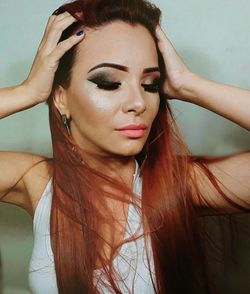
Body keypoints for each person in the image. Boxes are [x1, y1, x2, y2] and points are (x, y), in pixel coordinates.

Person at [0, 0, 249, 293]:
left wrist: (187, 84)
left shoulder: (178, 185)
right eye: (108, 82)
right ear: (61, 98)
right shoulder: (36, 181)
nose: (138, 103)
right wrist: (26, 91)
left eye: (150, 84)